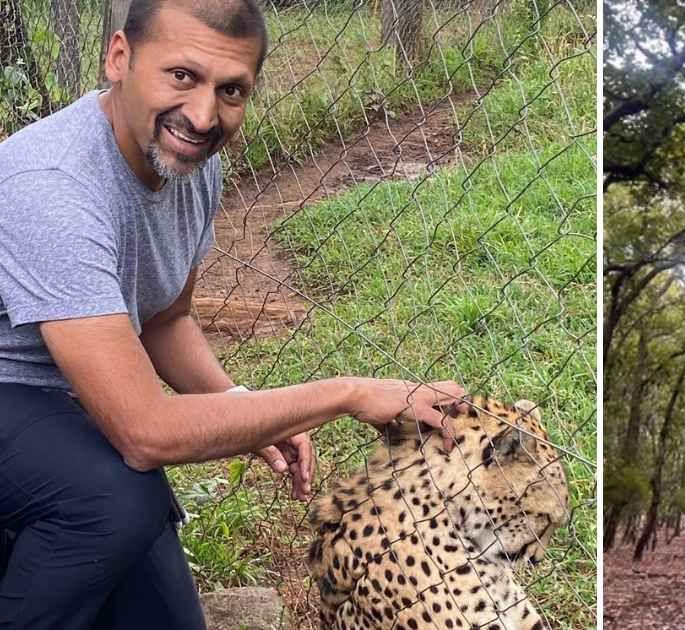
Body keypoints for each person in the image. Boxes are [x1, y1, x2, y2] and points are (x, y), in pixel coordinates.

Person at [0, 1, 465, 628]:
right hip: (14, 391)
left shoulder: (193, 163)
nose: (202, 115)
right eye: (181, 76)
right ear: (119, 58)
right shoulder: (54, 183)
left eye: (231, 90)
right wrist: (348, 393)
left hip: (58, 397)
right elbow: (145, 432)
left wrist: (240, 403)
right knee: (115, 502)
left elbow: (166, 318)